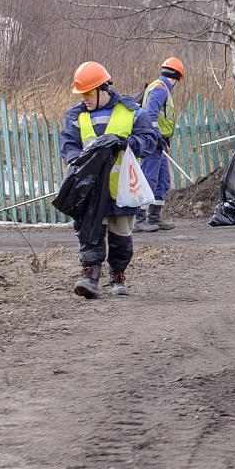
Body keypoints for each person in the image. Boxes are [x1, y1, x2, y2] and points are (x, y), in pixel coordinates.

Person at [60, 61, 160, 298]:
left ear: (102, 90)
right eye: (81, 93)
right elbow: (69, 146)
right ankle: (89, 276)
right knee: (91, 233)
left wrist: (129, 143)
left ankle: (117, 275)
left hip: (122, 187)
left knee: (121, 237)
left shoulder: (131, 111)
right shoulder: (75, 116)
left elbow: (149, 139)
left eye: (88, 93)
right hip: (91, 188)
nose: (84, 98)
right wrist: (77, 161)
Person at [133, 57, 183, 233]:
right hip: (153, 143)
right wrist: (155, 139)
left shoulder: (159, 87)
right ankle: (139, 219)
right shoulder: (160, 90)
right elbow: (150, 115)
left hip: (159, 143)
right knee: (149, 179)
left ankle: (155, 217)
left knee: (163, 180)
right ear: (176, 77)